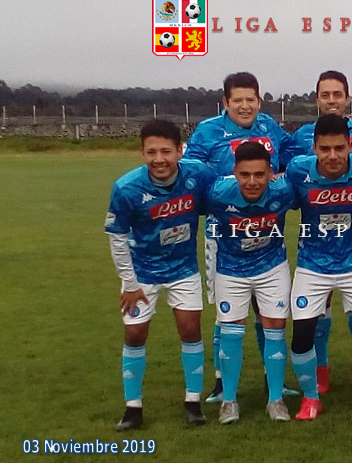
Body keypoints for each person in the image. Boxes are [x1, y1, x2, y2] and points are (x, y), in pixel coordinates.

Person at [182, 72, 293, 403]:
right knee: (227, 313)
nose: (245, 106)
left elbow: (290, 160)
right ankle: (221, 382)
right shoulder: (207, 132)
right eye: (238, 100)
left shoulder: (270, 127)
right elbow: (191, 175)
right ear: (225, 102)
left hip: (266, 230)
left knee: (267, 310)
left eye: (251, 100)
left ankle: (271, 378)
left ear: (259, 101)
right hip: (223, 233)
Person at [104, 119, 216, 430]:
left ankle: (193, 402)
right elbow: (117, 237)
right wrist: (129, 284)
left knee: (190, 329)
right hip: (142, 273)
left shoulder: (198, 175)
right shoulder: (127, 187)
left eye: (166, 151)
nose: (159, 159)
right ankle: (133, 407)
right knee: (134, 334)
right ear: (142, 153)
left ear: (180, 151)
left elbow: (223, 192)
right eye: (151, 152)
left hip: (183, 269)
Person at [280, 70, 352, 396]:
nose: (331, 100)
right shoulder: (299, 149)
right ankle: (319, 372)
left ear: (347, 98)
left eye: (336, 94)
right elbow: (282, 183)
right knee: (313, 319)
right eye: (325, 94)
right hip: (314, 254)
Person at [205, 141, 298, 423]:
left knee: (275, 328)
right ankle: (229, 401)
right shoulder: (217, 193)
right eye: (245, 175)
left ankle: (276, 400)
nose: (252, 181)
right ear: (234, 172)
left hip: (272, 267)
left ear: (271, 172)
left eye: (259, 174)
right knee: (231, 332)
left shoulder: (284, 191)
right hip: (231, 270)